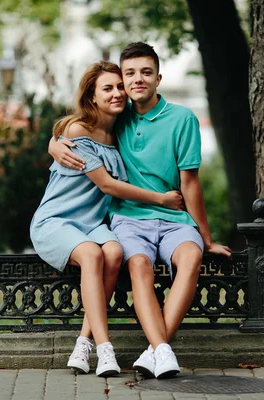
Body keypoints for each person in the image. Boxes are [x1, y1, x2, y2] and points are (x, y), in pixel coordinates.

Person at [49, 43, 232, 379]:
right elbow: (78, 128)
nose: (135, 81)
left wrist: (206, 237)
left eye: (145, 72)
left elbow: (190, 183)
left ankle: (155, 350)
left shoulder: (183, 119)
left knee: (192, 257)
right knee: (138, 264)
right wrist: (55, 142)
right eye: (128, 74)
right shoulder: (117, 117)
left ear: (158, 78)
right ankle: (163, 350)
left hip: (176, 219)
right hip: (129, 219)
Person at [30, 61, 185, 378]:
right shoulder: (77, 130)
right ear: (92, 96)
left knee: (113, 252)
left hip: (92, 223)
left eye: (119, 87)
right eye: (107, 88)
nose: (117, 93)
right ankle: (105, 350)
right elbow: (108, 185)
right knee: (91, 253)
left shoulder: (121, 130)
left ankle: (83, 343)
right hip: (57, 221)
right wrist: (162, 199)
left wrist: (52, 142)